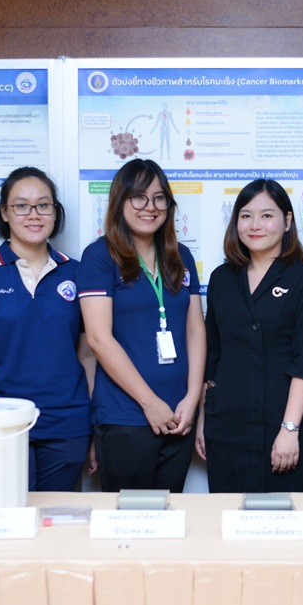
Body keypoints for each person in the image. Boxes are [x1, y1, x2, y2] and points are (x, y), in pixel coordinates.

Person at [0, 167, 94, 491]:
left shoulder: (77, 272)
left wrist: (92, 424)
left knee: (58, 517)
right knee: (11, 516)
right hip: (6, 422)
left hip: (67, 423)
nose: (34, 214)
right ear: (4, 213)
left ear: (55, 212)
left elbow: (88, 354)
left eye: (43, 205)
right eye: (21, 206)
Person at [77, 159, 205, 492]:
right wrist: (150, 402)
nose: (150, 207)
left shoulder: (181, 256)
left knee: (171, 512)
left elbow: (195, 330)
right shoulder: (100, 257)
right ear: (120, 201)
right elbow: (98, 338)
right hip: (126, 417)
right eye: (139, 197)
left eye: (159, 198)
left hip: (179, 415)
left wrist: (192, 398)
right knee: (129, 517)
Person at [195, 179, 303, 493]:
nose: (255, 225)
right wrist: (203, 420)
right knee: (227, 516)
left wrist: (290, 428)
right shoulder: (221, 278)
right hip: (226, 424)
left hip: (282, 421)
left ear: (287, 221)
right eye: (246, 216)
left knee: (284, 517)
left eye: (267, 215)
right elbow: (213, 357)